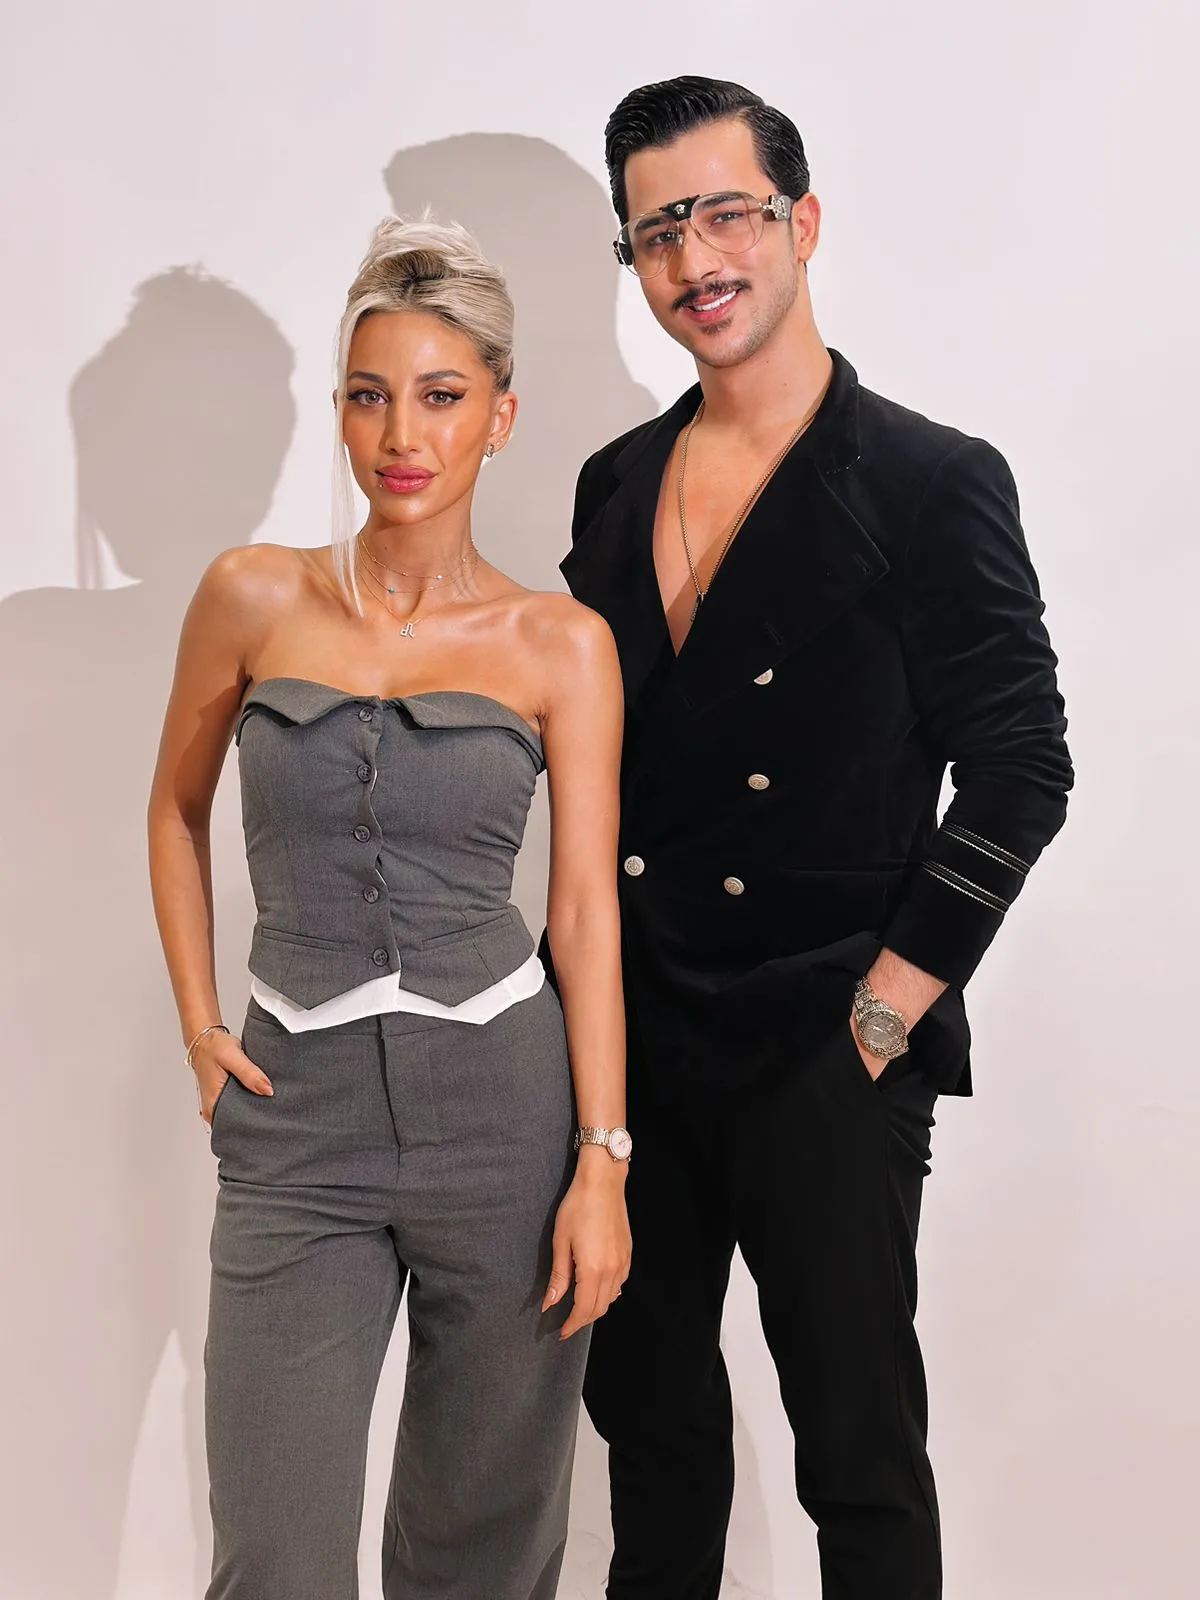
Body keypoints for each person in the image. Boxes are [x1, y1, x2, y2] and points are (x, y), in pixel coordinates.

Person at [553, 76, 1074, 1599]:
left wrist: (884, 1013)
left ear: (803, 223)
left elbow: (1022, 769)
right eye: (658, 232)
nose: (695, 259)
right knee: (650, 1453)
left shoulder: (927, 478)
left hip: (824, 1037)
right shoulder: (614, 482)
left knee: (857, 1454)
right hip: (632, 1044)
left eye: (726, 214)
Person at [147, 215, 632, 1600]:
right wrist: (201, 1028)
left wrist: (602, 1160)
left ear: (500, 417)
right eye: (369, 397)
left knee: (482, 1547)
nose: (401, 435)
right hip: (292, 1114)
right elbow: (174, 811)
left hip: (506, 1119)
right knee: (277, 1551)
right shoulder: (253, 593)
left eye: (440, 396)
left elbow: (583, 914)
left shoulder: (561, 644)